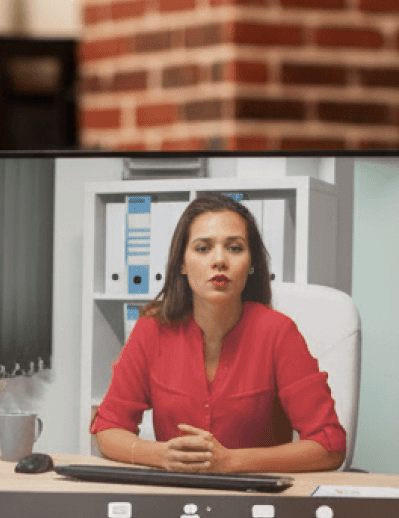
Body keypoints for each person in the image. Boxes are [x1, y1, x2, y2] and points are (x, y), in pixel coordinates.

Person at [91, 192, 346, 473]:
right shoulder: (151, 331)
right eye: (203, 248)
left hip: (257, 502)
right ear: (182, 264)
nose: (219, 261)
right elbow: (108, 428)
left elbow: (330, 444)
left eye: (235, 248)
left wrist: (232, 462)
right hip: (177, 498)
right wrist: (160, 455)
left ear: (252, 264)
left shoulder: (278, 333)